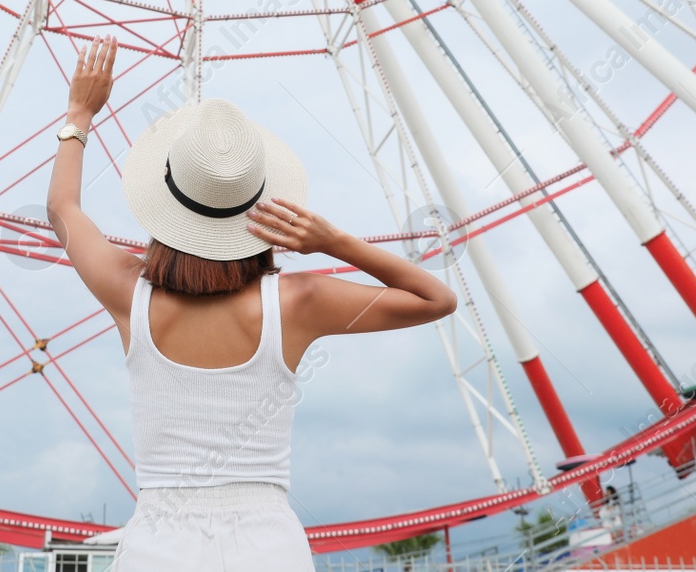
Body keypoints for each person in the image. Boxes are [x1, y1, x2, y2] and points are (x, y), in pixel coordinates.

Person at [46, 37, 459, 570]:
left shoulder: (131, 294)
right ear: (259, 207)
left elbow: (62, 208)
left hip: (159, 541)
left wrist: (79, 113)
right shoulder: (297, 301)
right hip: (267, 545)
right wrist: (332, 241)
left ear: (165, 204)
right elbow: (436, 298)